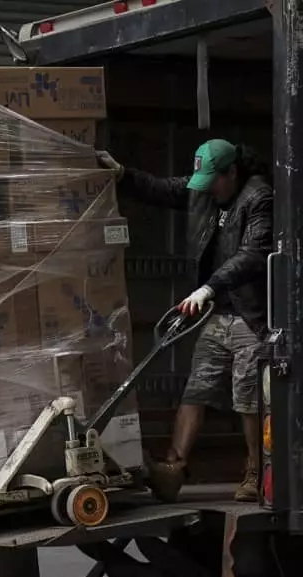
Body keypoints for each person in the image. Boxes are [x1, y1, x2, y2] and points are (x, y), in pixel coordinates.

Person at [97, 139, 272, 503]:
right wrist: (123, 174)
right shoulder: (204, 190)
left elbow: (253, 254)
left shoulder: (259, 198)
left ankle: (256, 472)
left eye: (213, 182)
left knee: (248, 397)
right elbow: (163, 189)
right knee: (196, 389)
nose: (206, 190)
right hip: (218, 312)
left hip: (250, 315)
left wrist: (208, 288)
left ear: (232, 172)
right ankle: (173, 469)